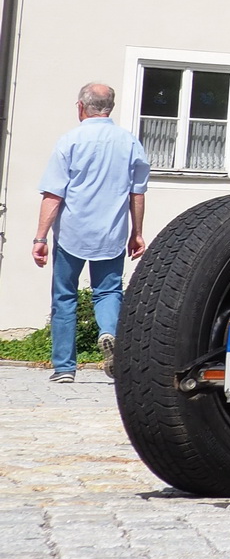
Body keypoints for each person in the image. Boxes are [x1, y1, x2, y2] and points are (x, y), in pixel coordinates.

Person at [30, 83, 150, 383]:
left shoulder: (70, 141)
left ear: (81, 107)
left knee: (64, 297)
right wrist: (137, 232)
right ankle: (109, 332)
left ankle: (64, 368)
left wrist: (40, 238)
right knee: (108, 291)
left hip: (72, 232)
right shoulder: (130, 143)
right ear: (111, 107)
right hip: (111, 232)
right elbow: (137, 192)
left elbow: (53, 194)